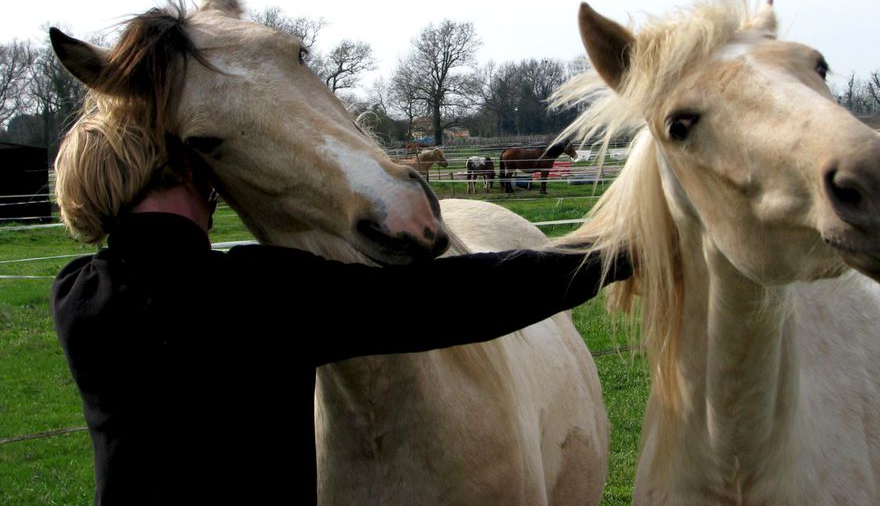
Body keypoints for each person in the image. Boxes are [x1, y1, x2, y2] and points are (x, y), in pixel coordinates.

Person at [50, 112, 630, 506]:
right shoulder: (257, 291)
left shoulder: (74, 298)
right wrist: (613, 255)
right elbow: (452, 301)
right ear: (180, 172)